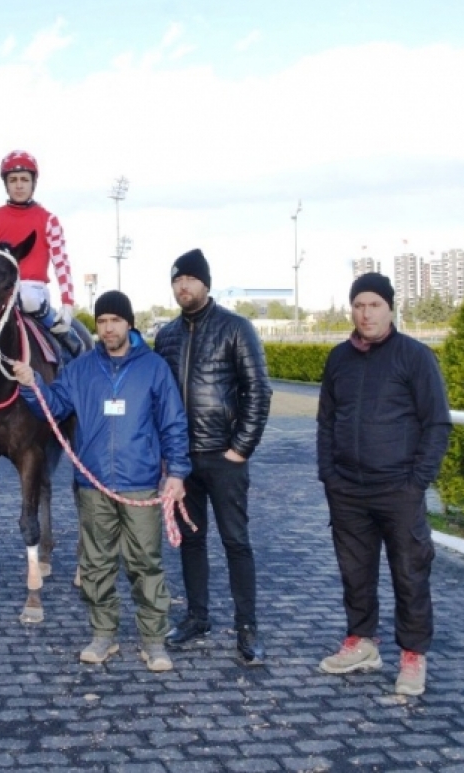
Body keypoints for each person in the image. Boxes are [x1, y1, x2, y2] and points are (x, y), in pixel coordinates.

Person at [12, 291, 189, 671]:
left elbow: (174, 423)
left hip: (140, 482)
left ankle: (154, 641)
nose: (108, 328)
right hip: (93, 486)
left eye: (115, 320)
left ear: (129, 323)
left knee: (145, 564)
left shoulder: (154, 368)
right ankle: (103, 634)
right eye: (102, 321)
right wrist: (31, 385)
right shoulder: (80, 369)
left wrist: (176, 472)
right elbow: (54, 406)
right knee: (96, 564)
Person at [316, 272, 451, 697]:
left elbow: (436, 423)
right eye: (359, 305)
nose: (366, 313)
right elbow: (325, 422)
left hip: (398, 488)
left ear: (389, 308)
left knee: (410, 573)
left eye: (374, 305)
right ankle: (361, 642)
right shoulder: (339, 359)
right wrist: (330, 475)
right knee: (354, 572)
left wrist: (416, 482)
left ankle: (412, 655)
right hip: (348, 490)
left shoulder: (414, 357)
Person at [154, 249, 273, 665]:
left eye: (190, 278)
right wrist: (168, 457)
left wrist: (240, 448)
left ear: (206, 283)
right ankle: (197, 617)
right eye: (176, 280)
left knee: (236, 541)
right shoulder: (166, 335)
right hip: (182, 462)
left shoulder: (236, 328)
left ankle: (247, 627)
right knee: (191, 541)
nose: (182, 286)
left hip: (224, 457)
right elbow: (160, 399)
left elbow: (258, 391)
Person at [0, 150, 86, 357]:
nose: (19, 185)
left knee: (27, 297)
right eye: (14, 180)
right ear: (6, 184)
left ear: (33, 183)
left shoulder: (48, 220)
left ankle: (65, 336)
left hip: (33, 290)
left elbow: (61, 263)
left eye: (24, 180)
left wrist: (68, 304)